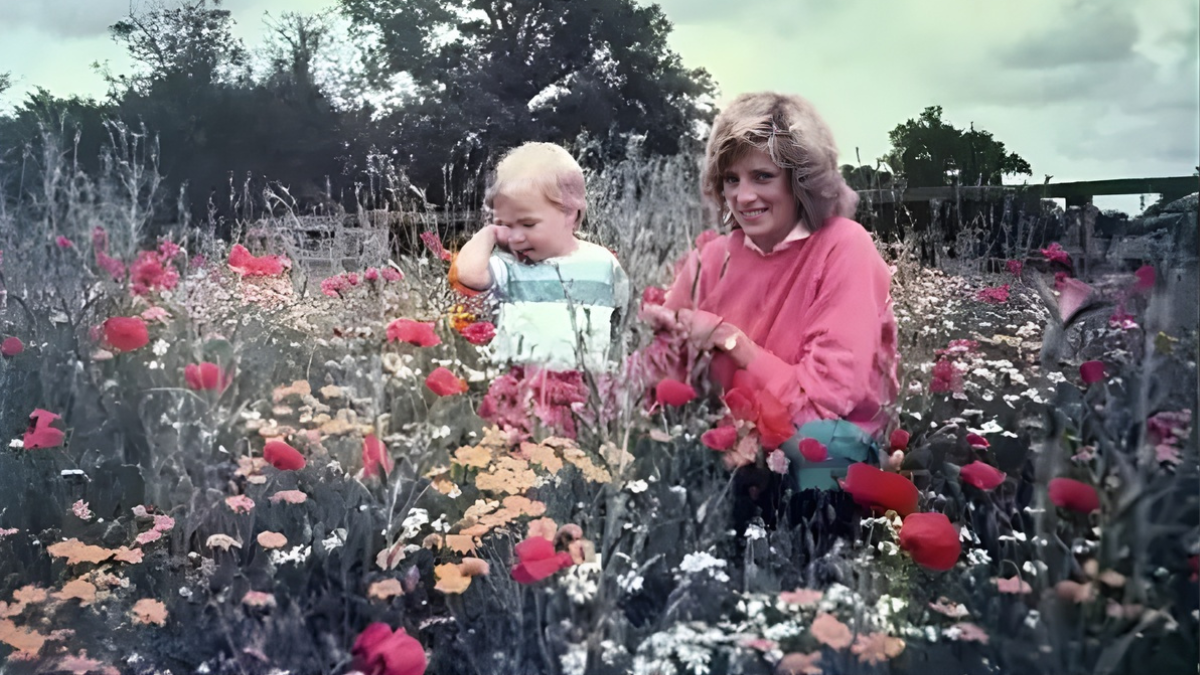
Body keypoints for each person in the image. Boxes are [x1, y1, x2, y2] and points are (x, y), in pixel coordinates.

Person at [649, 92, 899, 534]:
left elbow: (824, 406)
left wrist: (732, 342)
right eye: (730, 180)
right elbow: (664, 372)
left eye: (762, 176)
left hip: (821, 451)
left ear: (802, 180)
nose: (743, 197)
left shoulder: (845, 247)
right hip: (730, 442)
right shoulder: (714, 257)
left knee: (819, 452)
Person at [453, 142, 630, 437]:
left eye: (528, 223)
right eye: (506, 224)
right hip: (519, 391)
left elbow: (622, 319)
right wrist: (489, 233)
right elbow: (468, 273)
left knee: (575, 467)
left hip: (579, 392)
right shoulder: (508, 266)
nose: (517, 235)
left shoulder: (602, 262)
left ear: (570, 215)